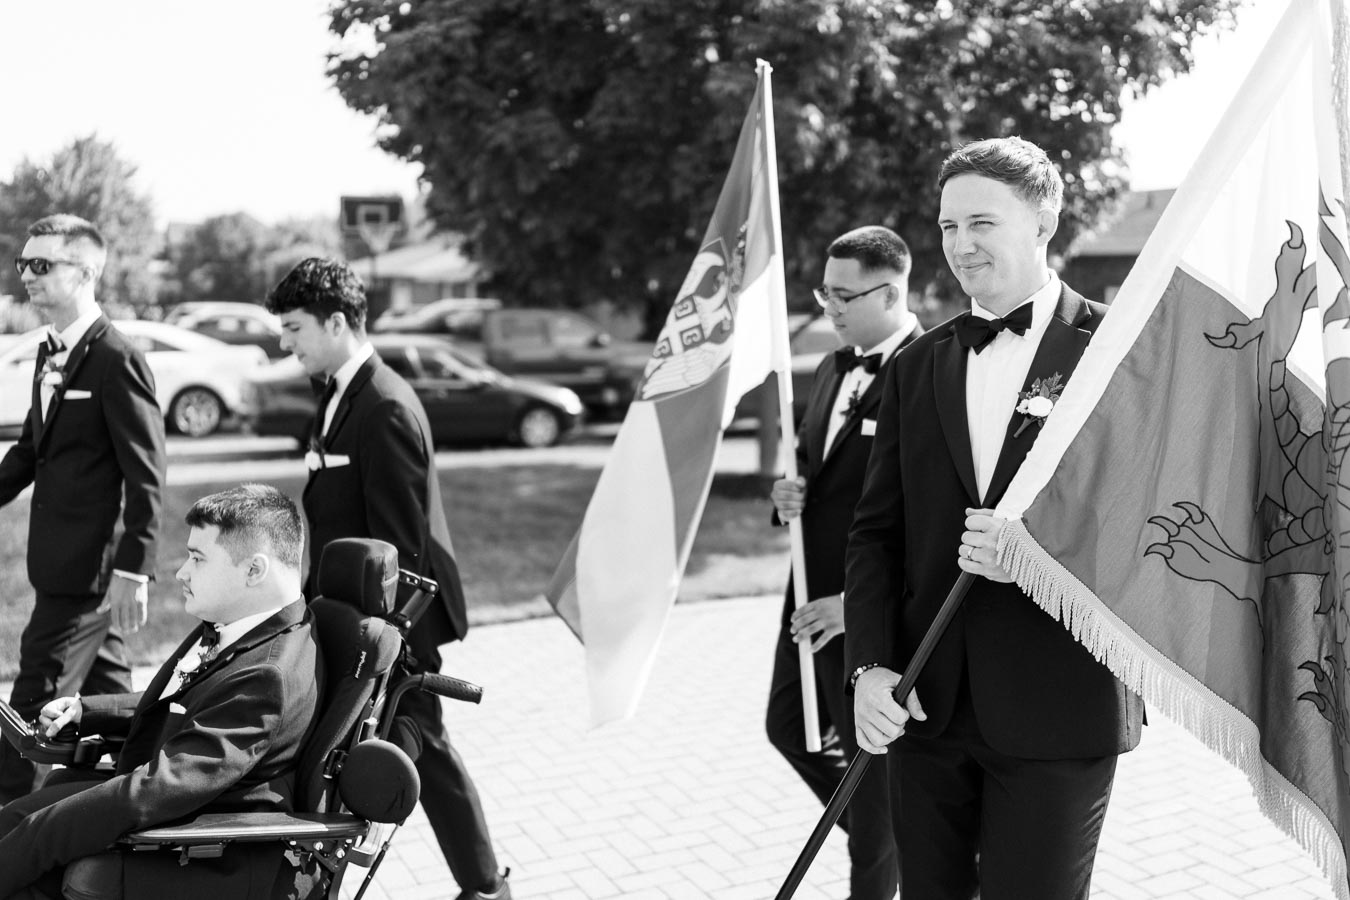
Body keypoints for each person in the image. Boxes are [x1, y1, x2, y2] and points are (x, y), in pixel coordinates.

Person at [845, 137, 1144, 900]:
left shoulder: (1119, 350)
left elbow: (1156, 523)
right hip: (925, 707)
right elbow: (876, 534)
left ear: (1044, 221)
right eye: (947, 227)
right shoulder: (917, 365)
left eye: (981, 221)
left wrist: (1039, 556)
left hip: (1060, 704)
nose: (960, 244)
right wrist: (869, 668)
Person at [265, 258, 511, 900]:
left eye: (293, 328)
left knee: (421, 746)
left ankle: (486, 889)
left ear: (337, 322)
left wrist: (376, 641)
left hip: (396, 621)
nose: (283, 343)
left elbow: (401, 547)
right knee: (415, 749)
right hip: (360, 614)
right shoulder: (339, 392)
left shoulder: (385, 407)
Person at [0, 483, 322, 899]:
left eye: (198, 558)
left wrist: (39, 837)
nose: (181, 572)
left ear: (254, 570)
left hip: (203, 848)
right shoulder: (247, 623)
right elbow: (195, 701)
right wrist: (89, 710)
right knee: (17, 817)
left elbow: (161, 787)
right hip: (176, 812)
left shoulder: (269, 676)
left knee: (26, 845)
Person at [766, 226, 920, 900]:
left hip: (869, 611)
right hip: (806, 594)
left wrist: (853, 606)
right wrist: (786, 491)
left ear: (890, 292)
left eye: (841, 294)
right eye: (822, 291)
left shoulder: (930, 369)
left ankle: (882, 857)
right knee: (787, 727)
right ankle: (890, 836)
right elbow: (814, 466)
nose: (827, 305)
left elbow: (925, 515)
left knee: (872, 771)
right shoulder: (831, 367)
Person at [0, 215, 166, 803]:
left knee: (29, 713)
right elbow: (28, 454)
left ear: (87, 271)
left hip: (87, 576)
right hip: (58, 565)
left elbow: (146, 475)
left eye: (42, 265)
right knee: (114, 702)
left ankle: (10, 832)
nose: (28, 276)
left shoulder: (116, 359)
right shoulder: (52, 352)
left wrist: (132, 571)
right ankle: (137, 802)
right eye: (24, 264)